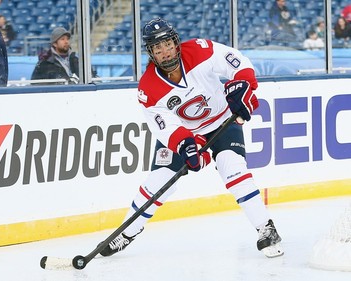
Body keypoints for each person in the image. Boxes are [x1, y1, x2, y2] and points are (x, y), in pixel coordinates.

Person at [97, 18, 284, 259]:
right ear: (151, 53)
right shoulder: (148, 87)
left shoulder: (199, 49)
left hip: (221, 121)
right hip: (185, 133)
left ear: (175, 42)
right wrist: (186, 144)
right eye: (157, 48)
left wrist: (244, 85)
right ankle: (125, 234)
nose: (164, 52)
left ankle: (266, 229)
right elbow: (164, 126)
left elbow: (236, 61)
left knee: (232, 167)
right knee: (160, 181)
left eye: (166, 44)